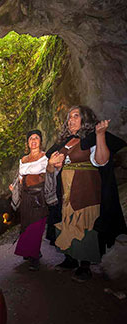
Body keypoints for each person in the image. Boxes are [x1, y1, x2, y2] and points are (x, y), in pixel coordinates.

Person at [46, 106, 127, 282]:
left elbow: (101, 160)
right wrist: (52, 165)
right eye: (69, 117)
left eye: (76, 116)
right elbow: (52, 167)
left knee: (86, 223)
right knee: (66, 221)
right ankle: (70, 259)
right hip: (65, 191)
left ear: (86, 119)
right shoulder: (64, 143)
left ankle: (85, 265)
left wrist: (100, 135)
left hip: (87, 189)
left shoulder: (91, 139)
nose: (70, 120)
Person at [10, 130, 62, 270]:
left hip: (40, 195)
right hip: (26, 196)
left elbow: (52, 174)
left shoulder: (46, 157)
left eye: (36, 138)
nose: (33, 140)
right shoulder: (23, 159)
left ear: (40, 141)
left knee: (36, 226)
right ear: (27, 143)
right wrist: (15, 189)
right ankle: (30, 252)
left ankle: (34, 257)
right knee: (26, 225)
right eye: (31, 138)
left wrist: (54, 166)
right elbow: (20, 178)